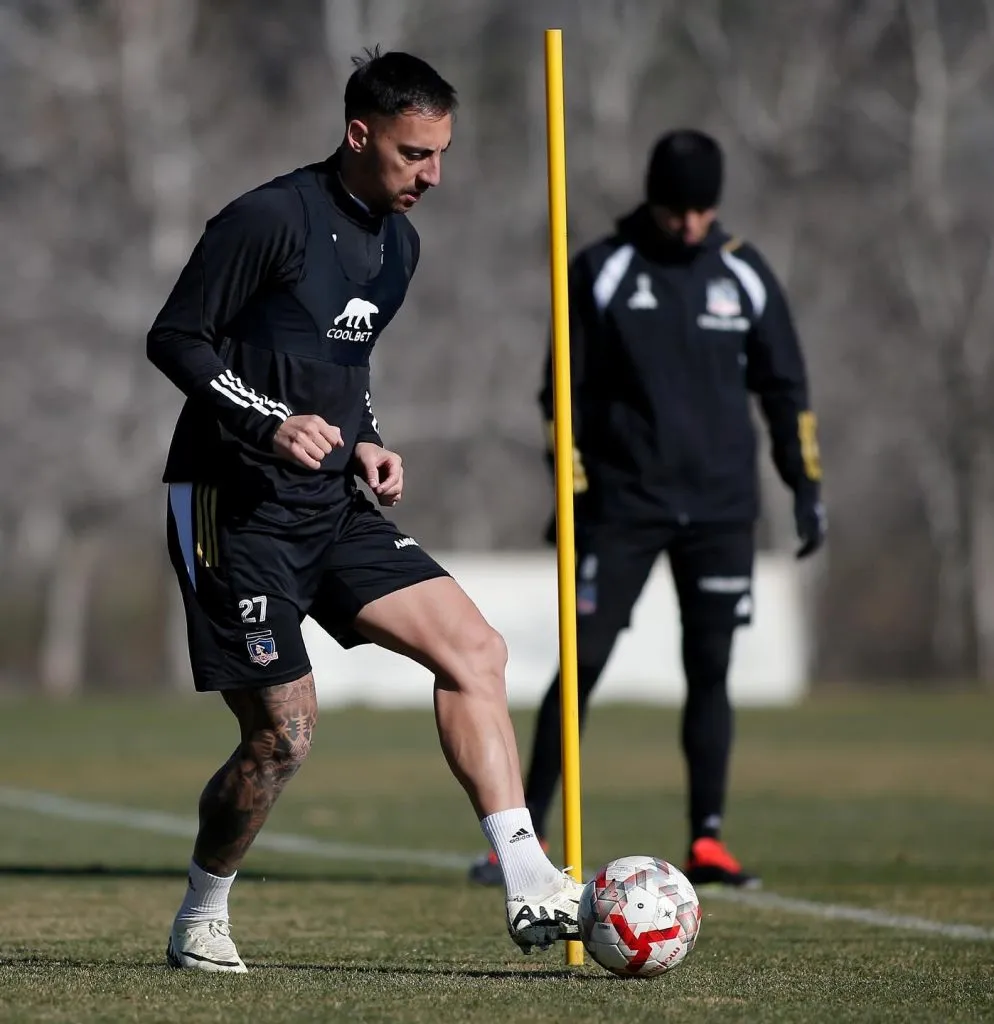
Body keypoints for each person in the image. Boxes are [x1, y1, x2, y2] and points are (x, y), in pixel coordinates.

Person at [147, 48, 581, 973]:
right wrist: (269, 426)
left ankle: (527, 877)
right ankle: (202, 912)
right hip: (233, 506)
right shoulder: (268, 218)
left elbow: (344, 367)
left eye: (442, 153)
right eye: (414, 153)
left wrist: (369, 437)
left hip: (330, 501)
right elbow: (175, 338)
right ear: (359, 134)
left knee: (478, 650)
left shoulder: (400, 244)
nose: (432, 174)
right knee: (283, 735)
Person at [470, 129, 826, 890]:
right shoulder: (602, 270)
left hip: (724, 509)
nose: (691, 224)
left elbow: (786, 389)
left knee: (711, 669)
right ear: (653, 199)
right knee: (583, 666)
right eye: (677, 209)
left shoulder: (744, 272)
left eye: (704, 209)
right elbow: (557, 394)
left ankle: (708, 841)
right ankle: (521, 842)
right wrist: (566, 483)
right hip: (622, 506)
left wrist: (804, 484)